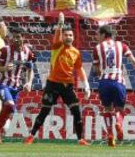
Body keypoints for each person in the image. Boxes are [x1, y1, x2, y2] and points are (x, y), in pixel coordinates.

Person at [24, 12, 90, 145]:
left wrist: (86, 84)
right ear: (62, 36)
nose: (68, 37)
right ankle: (31, 136)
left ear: (73, 36)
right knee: (45, 110)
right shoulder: (57, 46)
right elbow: (56, 36)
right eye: (66, 35)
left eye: (71, 35)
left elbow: (79, 69)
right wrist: (60, 23)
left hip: (67, 86)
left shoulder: (76, 52)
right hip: (53, 84)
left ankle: (80, 139)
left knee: (76, 111)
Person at [93, 25, 135, 147]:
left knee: (107, 109)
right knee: (119, 110)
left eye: (97, 34)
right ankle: (118, 122)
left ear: (104, 35)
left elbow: (96, 69)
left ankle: (110, 134)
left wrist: (102, 76)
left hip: (104, 82)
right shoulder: (121, 45)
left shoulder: (97, 48)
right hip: (118, 82)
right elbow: (133, 60)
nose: (96, 37)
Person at [0, 27, 35, 144]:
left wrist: (29, 82)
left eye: (18, 37)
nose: (15, 40)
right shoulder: (5, 50)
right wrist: (4, 68)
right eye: (13, 37)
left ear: (23, 38)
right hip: (2, 84)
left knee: (11, 110)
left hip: (15, 88)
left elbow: (31, 69)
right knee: (9, 104)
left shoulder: (28, 53)